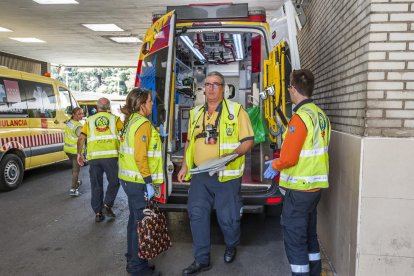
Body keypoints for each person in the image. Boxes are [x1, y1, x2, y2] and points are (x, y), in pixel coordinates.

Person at [177, 71, 254, 276]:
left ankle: (231, 245)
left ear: (224, 88)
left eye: (215, 84)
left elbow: (248, 141)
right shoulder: (195, 113)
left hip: (226, 175)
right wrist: (185, 165)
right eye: (207, 84)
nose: (210, 88)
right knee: (196, 214)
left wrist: (231, 155)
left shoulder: (237, 111)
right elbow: (189, 142)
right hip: (201, 175)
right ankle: (201, 260)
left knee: (227, 219)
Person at [263, 69, 331, 276]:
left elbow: (290, 158)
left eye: (290, 88)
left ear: (293, 89)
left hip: (299, 190)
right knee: (310, 237)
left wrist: (275, 165)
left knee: (295, 240)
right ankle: (315, 272)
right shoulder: (320, 115)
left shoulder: (300, 118)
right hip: (314, 188)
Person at [118, 88, 163, 276]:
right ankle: (138, 268)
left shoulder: (130, 122)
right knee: (141, 224)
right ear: (142, 104)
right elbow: (140, 156)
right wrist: (149, 183)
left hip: (128, 179)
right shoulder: (142, 123)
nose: (152, 104)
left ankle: (133, 261)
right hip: (138, 181)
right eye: (150, 101)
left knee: (133, 222)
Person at [77, 97, 123, 222]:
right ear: (108, 108)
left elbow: (81, 138)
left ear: (96, 108)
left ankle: (98, 213)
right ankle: (107, 205)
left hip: (94, 158)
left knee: (96, 185)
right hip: (110, 157)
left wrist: (79, 154)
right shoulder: (115, 119)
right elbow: (125, 134)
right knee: (114, 182)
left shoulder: (90, 120)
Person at [63, 107, 83, 197]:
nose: (81, 116)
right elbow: (81, 139)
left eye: (82, 113)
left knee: (74, 168)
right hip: (75, 151)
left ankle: (76, 181)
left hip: (67, 149)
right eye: (79, 114)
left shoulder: (69, 122)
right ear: (74, 114)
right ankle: (73, 189)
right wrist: (81, 153)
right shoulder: (78, 126)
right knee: (76, 170)